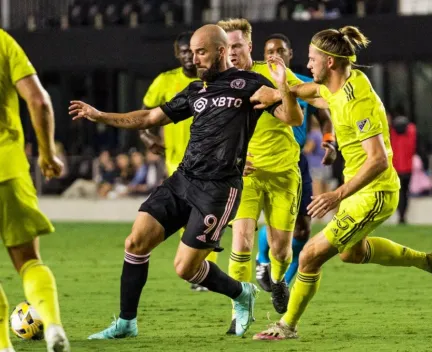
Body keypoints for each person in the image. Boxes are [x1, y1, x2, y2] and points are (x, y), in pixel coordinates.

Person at [69, 24, 304, 339]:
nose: (195, 60)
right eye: (192, 53)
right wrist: (101, 116)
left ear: (221, 51)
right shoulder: (196, 90)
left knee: (185, 269)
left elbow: (293, 118)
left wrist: (283, 88)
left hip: (219, 188)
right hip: (183, 179)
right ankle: (126, 323)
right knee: (135, 242)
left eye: (201, 52)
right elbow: (151, 117)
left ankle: (241, 293)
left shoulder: (250, 84)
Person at [250, 26, 432, 340]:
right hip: (359, 191)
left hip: (375, 192)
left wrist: (337, 194)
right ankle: (430, 261)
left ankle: (286, 325)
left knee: (309, 256)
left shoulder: (360, 100)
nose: (308, 66)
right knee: (352, 254)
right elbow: (312, 92)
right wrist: (280, 90)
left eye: (311, 59)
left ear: (329, 62)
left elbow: (378, 159)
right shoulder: (338, 84)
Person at [216, 19, 334, 333]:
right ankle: (239, 312)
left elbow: (310, 102)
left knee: (282, 249)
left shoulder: (272, 74)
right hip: (246, 176)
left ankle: (279, 279)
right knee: (240, 241)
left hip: (284, 174)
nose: (232, 52)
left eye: (237, 45)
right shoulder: (215, 83)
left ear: (249, 47)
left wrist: (340, 104)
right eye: (226, 47)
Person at [0, 29, 70, 352]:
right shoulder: (3, 42)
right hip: (8, 168)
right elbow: (39, 100)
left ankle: (3, 345)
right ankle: (53, 325)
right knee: (29, 260)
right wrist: (47, 153)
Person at [254, 33, 334, 293]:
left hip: (295, 161)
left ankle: (283, 282)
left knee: (302, 227)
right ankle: (263, 260)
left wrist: (329, 140)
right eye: (268, 51)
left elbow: (324, 115)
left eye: (279, 50)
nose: (273, 55)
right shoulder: (253, 85)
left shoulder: (304, 84)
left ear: (290, 55)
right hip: (262, 161)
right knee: (275, 222)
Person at [140, 31, 219, 291]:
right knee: (191, 220)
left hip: (210, 164)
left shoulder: (211, 80)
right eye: (184, 51)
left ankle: (203, 271)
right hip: (176, 163)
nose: (189, 56)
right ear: (177, 54)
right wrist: (148, 138)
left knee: (207, 218)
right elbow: (145, 115)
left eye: (193, 51)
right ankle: (199, 270)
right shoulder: (165, 81)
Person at [389, 110, 417, 224]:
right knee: (406, 192)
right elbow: (412, 147)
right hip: (408, 167)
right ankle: (403, 215)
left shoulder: (392, 131)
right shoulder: (411, 130)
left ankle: (400, 215)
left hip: (396, 167)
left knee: (398, 192)